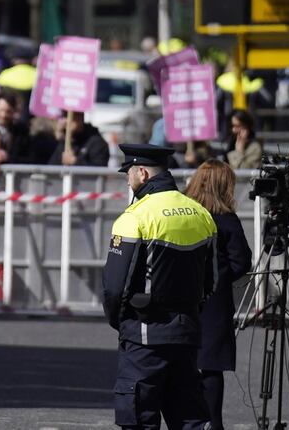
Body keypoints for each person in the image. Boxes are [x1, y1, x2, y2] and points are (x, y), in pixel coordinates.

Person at [102, 144, 217, 429]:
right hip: (187, 334)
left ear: (142, 173)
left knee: (139, 419)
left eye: (128, 173)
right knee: (189, 420)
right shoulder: (201, 213)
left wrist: (120, 323)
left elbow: (115, 288)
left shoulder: (134, 217)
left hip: (144, 337)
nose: (128, 180)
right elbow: (210, 281)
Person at [184, 159, 252, 430]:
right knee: (211, 366)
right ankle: (213, 423)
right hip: (215, 299)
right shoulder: (226, 218)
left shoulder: (185, 212)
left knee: (183, 361)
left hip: (183, 294)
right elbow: (241, 261)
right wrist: (221, 278)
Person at [0, 92, 32, 163]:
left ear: (13, 112)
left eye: (8, 111)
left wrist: (8, 157)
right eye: (0, 110)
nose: (3, 115)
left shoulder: (21, 132)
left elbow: (28, 157)